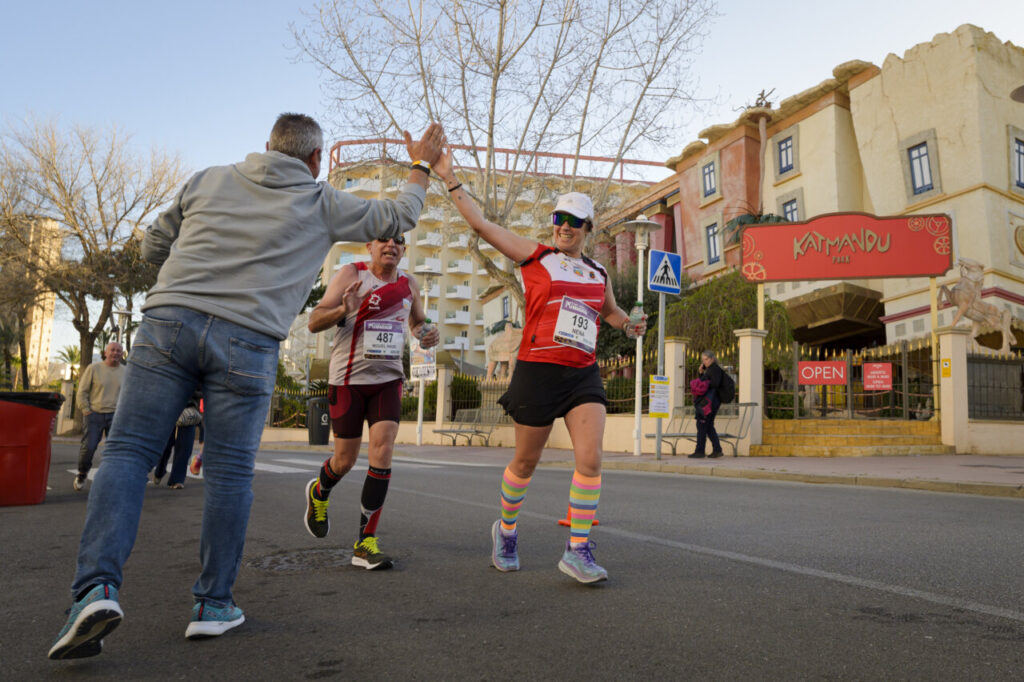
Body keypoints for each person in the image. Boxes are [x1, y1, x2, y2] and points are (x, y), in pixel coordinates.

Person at [48, 113, 445, 660]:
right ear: (313, 160)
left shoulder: (207, 179)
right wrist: (421, 163)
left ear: (265, 147)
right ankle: (212, 604)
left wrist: (190, 274)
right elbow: (400, 213)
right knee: (231, 470)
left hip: (169, 322)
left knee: (127, 450)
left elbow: (150, 249)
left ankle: (94, 590)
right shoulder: (320, 200)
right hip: (249, 339)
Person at [434, 147, 645, 584]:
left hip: (582, 372)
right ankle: (506, 531)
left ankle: (578, 549)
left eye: (574, 222)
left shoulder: (598, 273)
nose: (564, 227)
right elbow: (481, 224)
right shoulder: (536, 257)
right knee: (526, 462)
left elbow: (610, 313)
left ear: (588, 228)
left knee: (591, 457)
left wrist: (630, 325)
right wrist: (450, 178)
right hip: (538, 370)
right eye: (559, 219)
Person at [302, 235, 440, 569]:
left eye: (399, 241)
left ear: (404, 250)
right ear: (370, 247)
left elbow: (418, 321)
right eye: (383, 240)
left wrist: (426, 332)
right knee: (344, 460)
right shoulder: (352, 274)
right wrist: (342, 309)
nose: (391, 245)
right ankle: (320, 491)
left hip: (388, 379)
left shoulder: (409, 284)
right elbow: (314, 321)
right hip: (348, 380)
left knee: (382, 450)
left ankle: (365, 543)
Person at [73, 341, 125, 491]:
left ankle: (110, 478)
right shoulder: (94, 368)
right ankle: (82, 473)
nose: (115, 353)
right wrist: (85, 409)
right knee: (89, 447)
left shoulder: (126, 371)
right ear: (105, 353)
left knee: (115, 449)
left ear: (122, 354)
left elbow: (129, 395)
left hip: (116, 415)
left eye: (119, 351)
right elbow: (82, 391)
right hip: (94, 414)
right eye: (112, 350)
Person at [152, 392, 202, 489]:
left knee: (184, 449)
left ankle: (177, 480)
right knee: (164, 446)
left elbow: (201, 390)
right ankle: (159, 471)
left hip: (188, 411)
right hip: (168, 410)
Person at [689, 350, 725, 459]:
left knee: (701, 425)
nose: (704, 362)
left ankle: (700, 451)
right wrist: (701, 373)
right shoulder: (710, 370)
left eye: (706, 359)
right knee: (708, 426)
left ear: (712, 359)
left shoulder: (714, 370)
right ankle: (717, 450)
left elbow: (711, 384)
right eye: (703, 360)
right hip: (711, 402)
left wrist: (703, 377)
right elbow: (704, 384)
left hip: (709, 403)